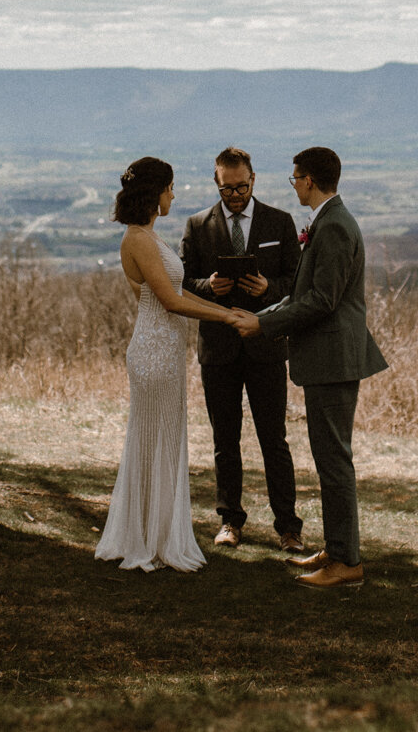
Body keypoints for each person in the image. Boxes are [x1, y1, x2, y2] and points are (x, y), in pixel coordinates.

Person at [234, 146, 388, 589]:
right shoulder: (327, 222)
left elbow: (322, 301)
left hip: (333, 361)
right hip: (326, 360)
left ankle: (347, 564)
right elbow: (305, 295)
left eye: (295, 177)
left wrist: (263, 325)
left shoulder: (336, 227)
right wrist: (263, 318)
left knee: (334, 461)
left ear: (310, 180)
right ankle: (338, 550)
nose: (294, 184)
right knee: (328, 459)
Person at [96, 157, 250, 572]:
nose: (173, 194)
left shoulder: (148, 237)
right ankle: (149, 539)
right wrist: (225, 317)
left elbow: (178, 293)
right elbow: (170, 302)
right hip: (154, 353)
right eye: (170, 188)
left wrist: (227, 310)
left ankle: (153, 531)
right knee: (155, 441)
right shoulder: (139, 241)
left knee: (163, 441)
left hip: (163, 349)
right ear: (154, 192)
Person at [180, 146, 304, 551]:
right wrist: (207, 287)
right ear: (216, 184)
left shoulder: (280, 222)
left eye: (242, 187)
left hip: (266, 347)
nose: (236, 196)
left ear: (254, 180)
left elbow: (297, 282)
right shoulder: (197, 226)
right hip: (218, 351)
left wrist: (270, 288)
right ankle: (230, 521)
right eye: (228, 189)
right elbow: (181, 283)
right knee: (224, 440)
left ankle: (288, 527)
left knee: (274, 440)